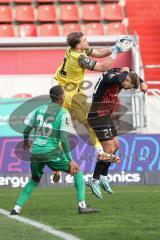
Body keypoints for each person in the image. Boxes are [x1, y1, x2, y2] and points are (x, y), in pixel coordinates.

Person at [52, 32, 133, 181]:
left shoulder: (72, 50)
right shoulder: (80, 57)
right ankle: (100, 152)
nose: (87, 40)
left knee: (60, 130)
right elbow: (103, 67)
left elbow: (98, 53)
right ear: (78, 45)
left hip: (59, 91)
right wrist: (116, 53)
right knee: (91, 123)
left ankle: (56, 168)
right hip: (73, 95)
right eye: (84, 40)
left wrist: (114, 47)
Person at [10, 85, 100, 215]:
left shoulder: (39, 110)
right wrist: (70, 160)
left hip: (35, 151)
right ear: (62, 97)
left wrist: (25, 142)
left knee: (34, 179)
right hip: (51, 151)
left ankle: (16, 208)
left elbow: (26, 130)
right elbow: (63, 139)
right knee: (77, 171)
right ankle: (82, 206)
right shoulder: (63, 113)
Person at [87, 67, 148, 198]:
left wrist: (141, 81)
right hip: (97, 116)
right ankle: (94, 180)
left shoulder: (121, 75)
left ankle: (103, 176)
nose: (126, 89)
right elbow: (119, 77)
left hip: (106, 115)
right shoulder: (110, 78)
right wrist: (125, 72)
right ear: (125, 78)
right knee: (108, 149)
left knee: (116, 146)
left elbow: (129, 72)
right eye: (127, 86)